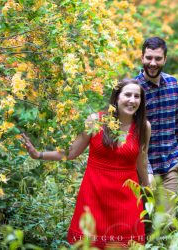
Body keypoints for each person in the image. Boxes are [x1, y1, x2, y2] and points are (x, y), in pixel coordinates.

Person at [22, 79, 151, 249]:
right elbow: (72, 152)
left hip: (127, 200)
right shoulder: (95, 121)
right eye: (127, 94)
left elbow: (141, 163)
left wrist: (149, 194)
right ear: (117, 97)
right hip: (94, 196)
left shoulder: (144, 127)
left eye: (137, 96)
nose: (132, 100)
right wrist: (38, 154)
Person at [135, 37, 178, 210]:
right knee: (144, 225)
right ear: (142, 58)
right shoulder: (133, 90)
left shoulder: (172, 84)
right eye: (149, 58)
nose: (152, 63)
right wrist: (146, 171)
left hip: (169, 165)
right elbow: (131, 135)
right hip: (141, 168)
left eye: (158, 58)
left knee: (167, 224)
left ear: (165, 59)